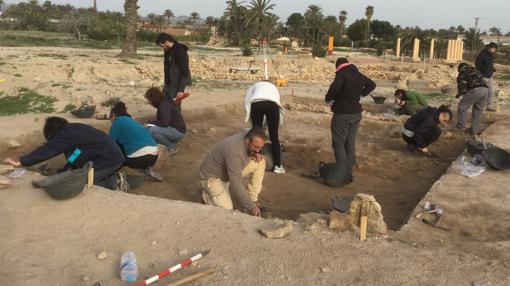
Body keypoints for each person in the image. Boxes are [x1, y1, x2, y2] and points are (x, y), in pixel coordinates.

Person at [4, 117, 127, 191]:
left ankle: (115, 182)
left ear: (53, 132)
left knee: (80, 183)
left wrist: (22, 161)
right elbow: (75, 156)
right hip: (109, 158)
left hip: (110, 160)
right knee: (74, 175)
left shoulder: (66, 134)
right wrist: (63, 171)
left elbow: (48, 149)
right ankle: (109, 176)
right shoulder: (73, 131)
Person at [199, 127, 267, 217]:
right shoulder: (234, 151)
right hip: (211, 177)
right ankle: (207, 195)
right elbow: (235, 183)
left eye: (260, 147)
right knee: (227, 210)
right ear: (247, 140)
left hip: (227, 171)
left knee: (260, 161)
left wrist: (255, 153)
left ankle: (252, 198)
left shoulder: (248, 135)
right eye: (255, 146)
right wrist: (251, 207)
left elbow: (252, 136)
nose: (258, 150)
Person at [325, 57, 376, 170]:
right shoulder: (358, 74)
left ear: (337, 66)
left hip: (342, 113)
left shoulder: (341, 74)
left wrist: (328, 99)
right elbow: (372, 84)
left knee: (338, 143)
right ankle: (349, 166)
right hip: (356, 113)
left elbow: (335, 88)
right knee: (350, 141)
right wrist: (361, 95)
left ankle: (343, 169)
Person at [244, 81, 285, 174]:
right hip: (272, 104)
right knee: (274, 136)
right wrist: (268, 127)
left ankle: (254, 158)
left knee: (255, 135)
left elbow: (247, 101)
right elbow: (277, 102)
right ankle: (278, 166)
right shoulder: (274, 87)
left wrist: (255, 127)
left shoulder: (254, 86)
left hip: (256, 103)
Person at [108, 101, 159, 172]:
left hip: (139, 158)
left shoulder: (118, 121)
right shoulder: (132, 121)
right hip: (154, 156)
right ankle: (144, 169)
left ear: (113, 115)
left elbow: (109, 142)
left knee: (114, 157)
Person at [144, 87, 186, 155]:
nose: (148, 102)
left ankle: (171, 146)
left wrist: (150, 123)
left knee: (151, 131)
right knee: (151, 129)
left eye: (149, 100)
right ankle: (171, 142)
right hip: (175, 129)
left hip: (178, 132)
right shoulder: (162, 103)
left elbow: (164, 123)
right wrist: (150, 123)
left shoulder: (163, 106)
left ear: (153, 99)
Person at [155, 33, 192, 105]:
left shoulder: (180, 51)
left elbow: (185, 71)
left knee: (175, 107)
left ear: (167, 42)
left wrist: (181, 90)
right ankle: (164, 116)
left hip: (177, 85)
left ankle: (175, 116)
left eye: (163, 46)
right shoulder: (167, 51)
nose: (163, 48)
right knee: (162, 103)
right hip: (168, 83)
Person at [455, 63, 489, 136]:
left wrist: (459, 95)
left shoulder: (462, 73)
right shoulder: (475, 70)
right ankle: (475, 130)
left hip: (476, 89)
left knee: (462, 107)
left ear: (460, 69)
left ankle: (461, 126)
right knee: (478, 110)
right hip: (485, 90)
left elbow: (462, 88)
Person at [475, 42, 497, 112]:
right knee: (485, 91)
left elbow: (489, 65)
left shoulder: (491, 55)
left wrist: (492, 69)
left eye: (495, 49)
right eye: (494, 49)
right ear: (490, 48)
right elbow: (477, 64)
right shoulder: (483, 54)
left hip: (489, 75)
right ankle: (480, 106)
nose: (494, 51)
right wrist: (485, 70)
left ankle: (489, 106)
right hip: (483, 76)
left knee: (490, 91)